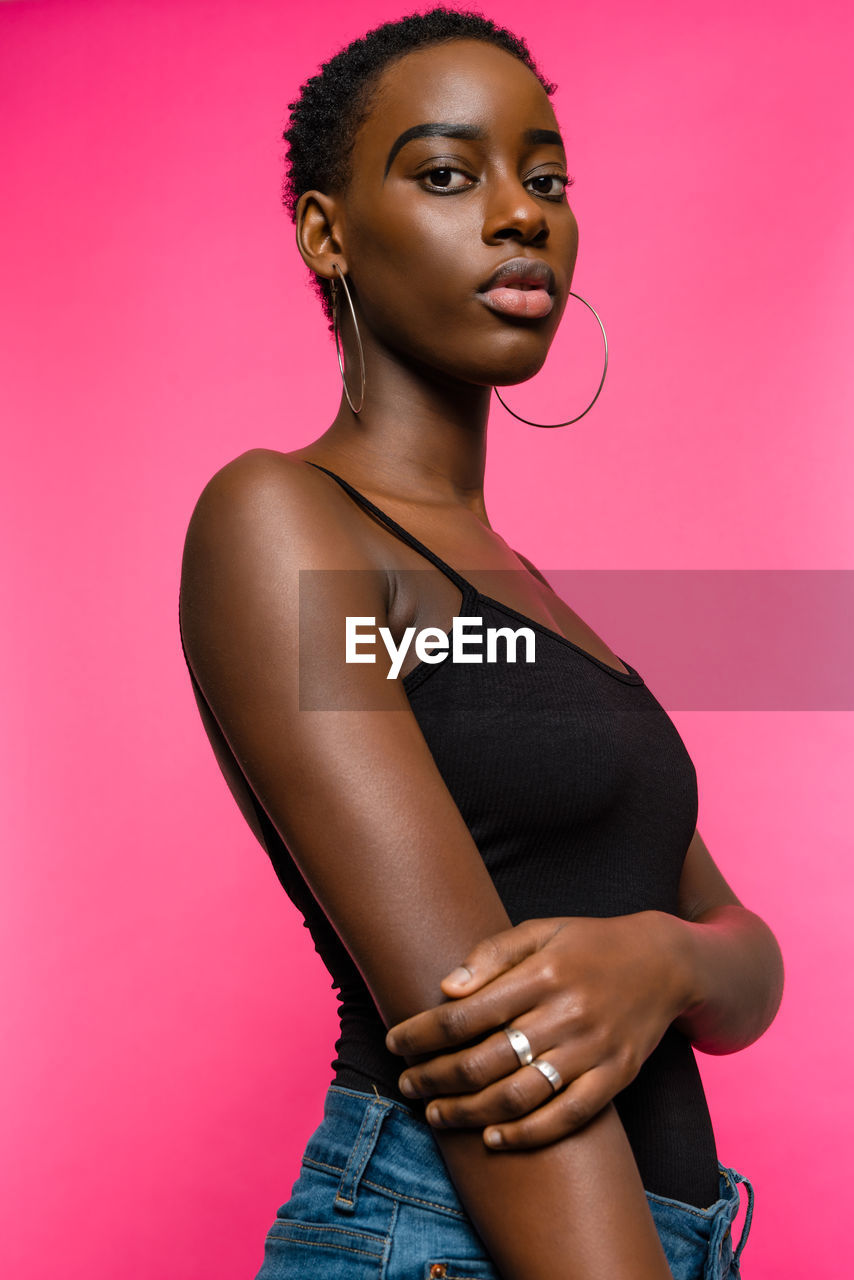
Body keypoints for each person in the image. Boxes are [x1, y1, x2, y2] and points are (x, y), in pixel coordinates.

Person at [178, 10, 784, 1278]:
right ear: (326, 231)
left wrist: (659, 956)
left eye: (546, 178)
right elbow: (481, 1040)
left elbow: (744, 956)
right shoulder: (284, 521)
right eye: (447, 174)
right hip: (448, 1237)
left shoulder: (524, 595)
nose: (522, 216)